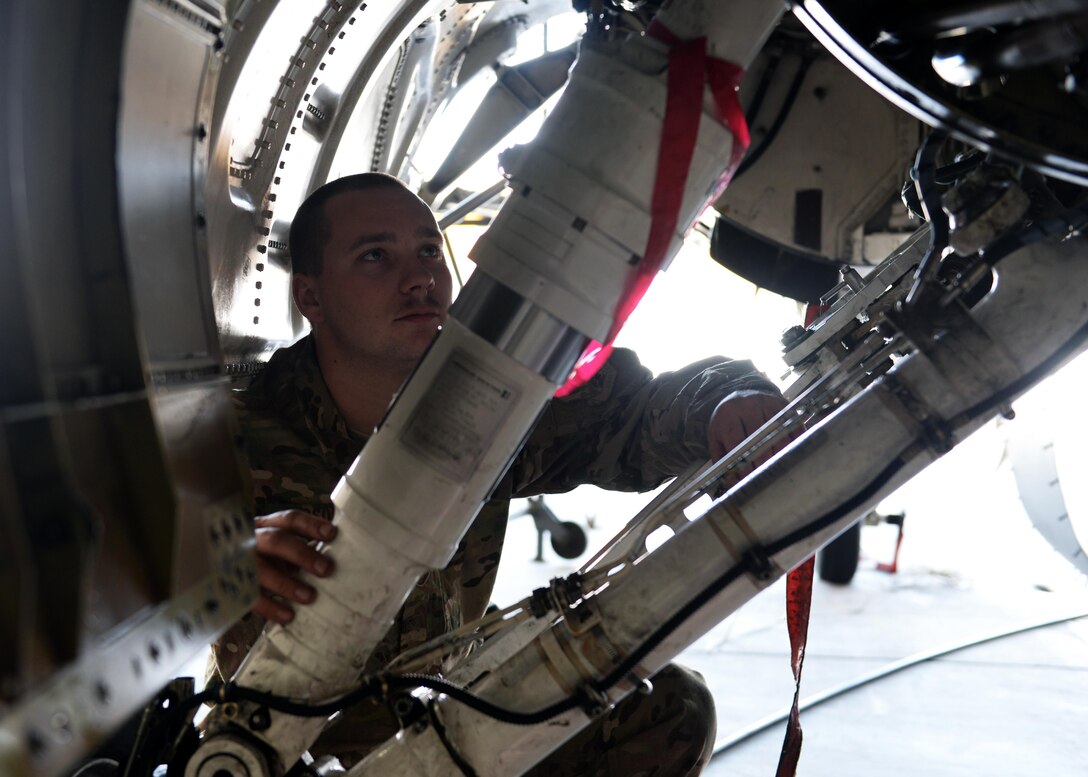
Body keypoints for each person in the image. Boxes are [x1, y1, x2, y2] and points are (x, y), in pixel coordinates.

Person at [211, 172, 787, 774]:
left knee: (668, 705)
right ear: (311, 298)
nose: (420, 279)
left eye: (430, 251)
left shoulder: (482, 404)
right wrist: (217, 561)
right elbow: (121, 568)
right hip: (292, 748)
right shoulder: (236, 434)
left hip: (452, 708)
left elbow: (630, 410)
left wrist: (726, 404)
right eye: (375, 257)